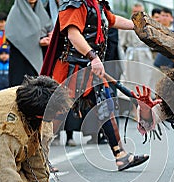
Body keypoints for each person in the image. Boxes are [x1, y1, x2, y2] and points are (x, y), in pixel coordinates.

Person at [41, 0, 149, 171]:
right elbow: (73, 35)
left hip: (89, 70)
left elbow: (112, 20)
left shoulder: (96, 5)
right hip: (71, 68)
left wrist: (139, 26)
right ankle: (38, 158)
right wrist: (93, 57)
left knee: (106, 107)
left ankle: (121, 155)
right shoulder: (75, 4)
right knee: (56, 114)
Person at [5, 0, 53, 87]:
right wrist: (36, 41)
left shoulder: (42, 11)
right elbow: (12, 35)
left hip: (41, 57)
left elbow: (48, 28)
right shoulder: (16, 12)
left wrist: (47, 39)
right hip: (21, 61)